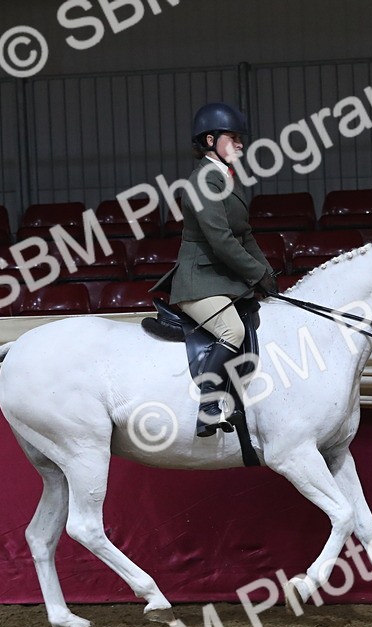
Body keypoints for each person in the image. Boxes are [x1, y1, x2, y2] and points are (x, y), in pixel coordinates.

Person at [151, 102, 278, 437]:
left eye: (240, 138)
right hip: (199, 281)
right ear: (210, 141)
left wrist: (267, 273)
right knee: (232, 332)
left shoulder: (226, 179)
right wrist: (254, 273)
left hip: (220, 278)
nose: (240, 144)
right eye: (233, 137)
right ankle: (208, 407)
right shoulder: (203, 181)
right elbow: (220, 240)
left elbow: (244, 234)